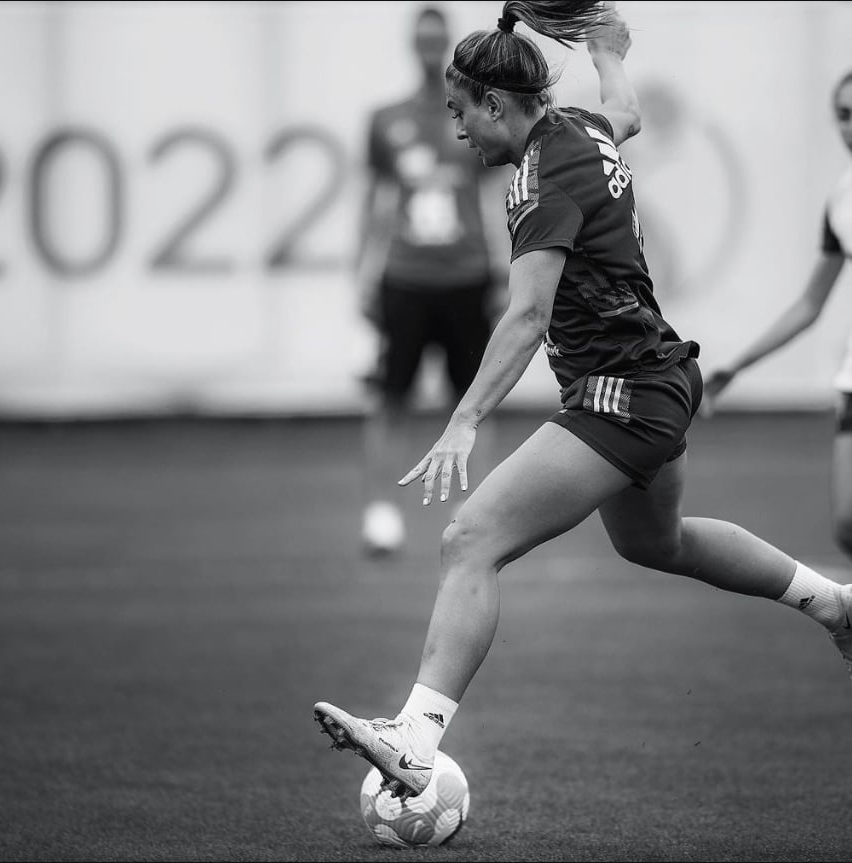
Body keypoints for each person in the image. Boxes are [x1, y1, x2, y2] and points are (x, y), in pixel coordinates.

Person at [314, 0, 852, 800]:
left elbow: (528, 315)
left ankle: (415, 739)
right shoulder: (579, 129)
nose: (458, 131)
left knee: (470, 538)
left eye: (463, 113)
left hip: (621, 393)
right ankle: (836, 602)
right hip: (660, 378)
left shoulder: (542, 174)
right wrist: (609, 54)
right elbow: (626, 112)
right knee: (655, 543)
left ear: (497, 105)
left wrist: (464, 418)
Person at [357, 5, 508, 556]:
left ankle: (468, 512)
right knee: (389, 396)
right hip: (406, 276)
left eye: (435, 39)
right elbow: (373, 201)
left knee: (473, 397)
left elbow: (493, 196)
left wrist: (501, 267)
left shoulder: (469, 116)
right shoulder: (385, 118)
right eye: (419, 39)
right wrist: (364, 272)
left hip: (467, 275)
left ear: (446, 45)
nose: (427, 47)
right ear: (411, 44)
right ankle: (380, 514)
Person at [703, 69, 852, 558]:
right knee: (849, 527)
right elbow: (811, 304)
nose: (851, 125)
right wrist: (735, 366)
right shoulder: (841, 198)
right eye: (844, 115)